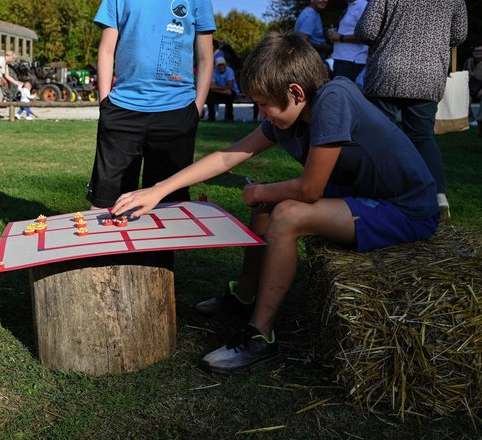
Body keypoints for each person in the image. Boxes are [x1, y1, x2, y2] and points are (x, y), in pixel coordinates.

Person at [112, 33, 439, 374]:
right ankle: (246, 297)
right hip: (361, 197)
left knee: (285, 213)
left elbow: (310, 190)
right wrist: (159, 189)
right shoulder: (289, 115)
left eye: (264, 104)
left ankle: (260, 336)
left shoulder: (333, 99)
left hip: (405, 209)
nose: (261, 113)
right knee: (269, 205)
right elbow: (229, 156)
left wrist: (261, 192)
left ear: (296, 92)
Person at [86, 0, 215, 209]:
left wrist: (195, 109)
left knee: (169, 209)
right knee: (106, 206)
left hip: (177, 112)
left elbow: (205, 57)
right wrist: (105, 104)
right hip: (121, 110)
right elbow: (106, 50)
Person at [355, 0, 468, 221]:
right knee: (422, 137)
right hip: (429, 72)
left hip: (388, 71)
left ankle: (381, 194)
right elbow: (459, 35)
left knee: (381, 137)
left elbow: (366, 30)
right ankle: (438, 195)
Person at [325, 0, 368, 81]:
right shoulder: (349, 5)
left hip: (351, 61)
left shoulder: (363, 5)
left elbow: (365, 35)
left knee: (342, 91)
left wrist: (340, 37)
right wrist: (334, 35)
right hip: (341, 59)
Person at [205, 57, 239, 122]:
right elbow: (211, 86)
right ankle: (211, 117)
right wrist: (223, 90)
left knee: (230, 95)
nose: (220, 66)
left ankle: (229, 117)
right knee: (209, 95)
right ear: (216, 66)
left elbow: (230, 86)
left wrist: (217, 88)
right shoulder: (214, 71)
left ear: (225, 64)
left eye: (222, 64)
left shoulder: (229, 71)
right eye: (219, 65)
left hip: (231, 91)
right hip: (223, 92)